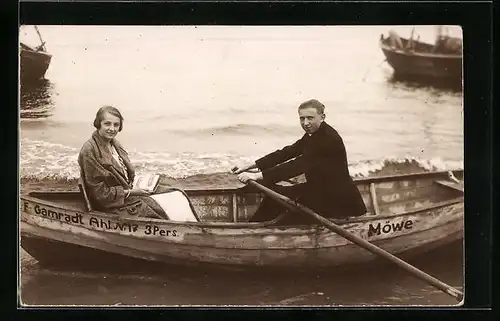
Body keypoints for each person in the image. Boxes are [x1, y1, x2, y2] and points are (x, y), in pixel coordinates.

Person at [232, 99, 367, 225]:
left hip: (337, 200)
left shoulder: (328, 139)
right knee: (273, 192)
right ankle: (254, 228)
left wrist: (257, 176)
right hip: (318, 190)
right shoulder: (313, 134)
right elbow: (288, 152)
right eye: (302, 118)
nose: (305, 123)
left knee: (276, 198)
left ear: (322, 117)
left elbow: (297, 165)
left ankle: (253, 231)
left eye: (310, 118)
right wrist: (250, 166)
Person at [78, 106, 168, 219]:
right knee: (156, 214)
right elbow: (100, 194)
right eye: (107, 124)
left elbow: (123, 173)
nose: (112, 129)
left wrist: (136, 185)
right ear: (98, 123)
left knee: (172, 194)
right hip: (110, 204)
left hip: (125, 191)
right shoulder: (89, 150)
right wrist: (132, 192)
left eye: (116, 125)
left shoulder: (114, 143)